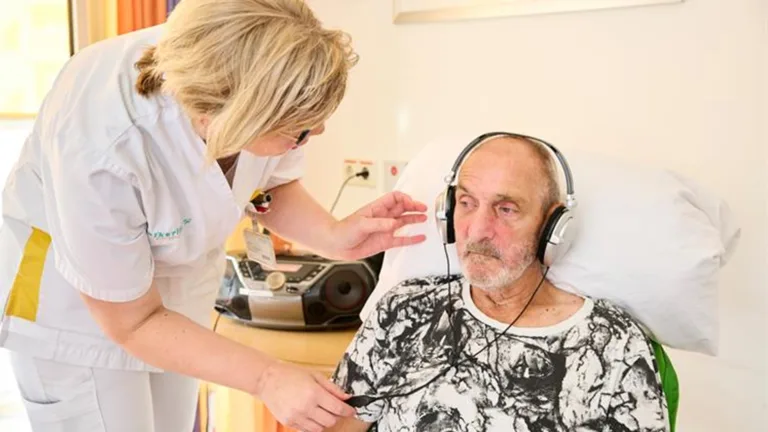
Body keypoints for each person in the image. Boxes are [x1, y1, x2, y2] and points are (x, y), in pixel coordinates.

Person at [0, 1, 427, 431]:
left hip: (174, 300)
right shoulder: (102, 141)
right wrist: (266, 377)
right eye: (300, 130)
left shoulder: (239, 79)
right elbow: (133, 322)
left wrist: (336, 237)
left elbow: (266, 188)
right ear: (230, 117)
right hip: (75, 317)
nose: (315, 135)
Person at [326, 135, 671, 431]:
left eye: (505, 209)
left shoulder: (614, 343)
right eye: (466, 203)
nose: (477, 231)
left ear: (552, 227)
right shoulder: (404, 310)